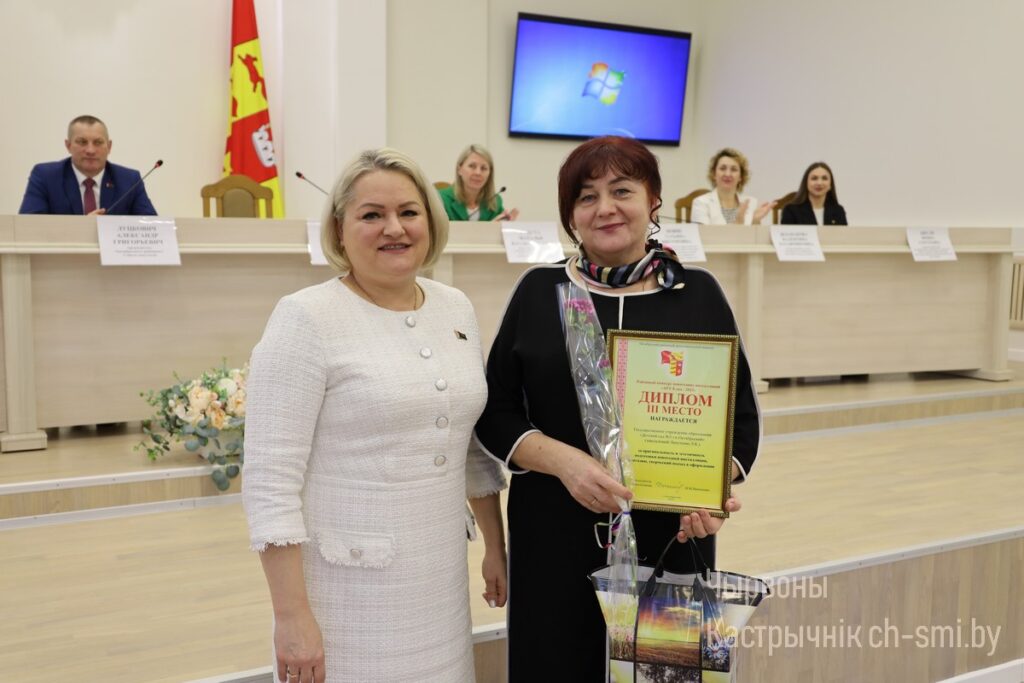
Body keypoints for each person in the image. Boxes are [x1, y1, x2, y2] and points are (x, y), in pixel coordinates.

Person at [474, 136, 761, 682]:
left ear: (653, 200)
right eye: (586, 197)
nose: (605, 208)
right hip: (553, 538)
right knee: (554, 667)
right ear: (571, 216)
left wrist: (709, 489)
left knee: (663, 675)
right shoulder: (540, 291)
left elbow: (741, 421)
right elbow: (496, 412)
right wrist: (565, 463)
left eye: (622, 190)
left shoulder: (697, 293)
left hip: (673, 541)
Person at [243, 148, 508, 683]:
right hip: (347, 591)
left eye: (409, 212)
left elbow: (467, 443)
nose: (394, 228)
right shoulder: (305, 317)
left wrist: (495, 547)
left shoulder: (454, 306)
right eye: (372, 215)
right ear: (340, 230)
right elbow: (270, 481)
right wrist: (291, 617)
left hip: (439, 579)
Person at [19, 115, 157, 216]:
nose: (90, 150)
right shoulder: (46, 176)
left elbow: (151, 228)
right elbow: (29, 226)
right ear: (68, 145)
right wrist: (83, 227)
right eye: (82, 142)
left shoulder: (130, 180)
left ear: (109, 146)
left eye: (98, 142)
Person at [691, 147, 773, 225]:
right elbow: (703, 234)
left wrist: (754, 221)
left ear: (741, 177)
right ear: (714, 174)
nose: (728, 174)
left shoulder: (752, 203)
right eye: (722, 168)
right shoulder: (701, 203)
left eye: (733, 169)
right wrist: (737, 225)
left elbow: (756, 235)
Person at [438, 144, 519, 221]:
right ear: (459, 169)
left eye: (483, 168)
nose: (478, 173)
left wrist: (505, 224)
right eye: (472, 166)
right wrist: (489, 227)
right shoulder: (441, 200)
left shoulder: (495, 201)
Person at [781, 161, 848, 225]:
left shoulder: (838, 211)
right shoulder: (791, 210)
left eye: (824, 178)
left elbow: (844, 233)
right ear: (806, 183)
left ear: (830, 185)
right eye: (814, 178)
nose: (819, 183)